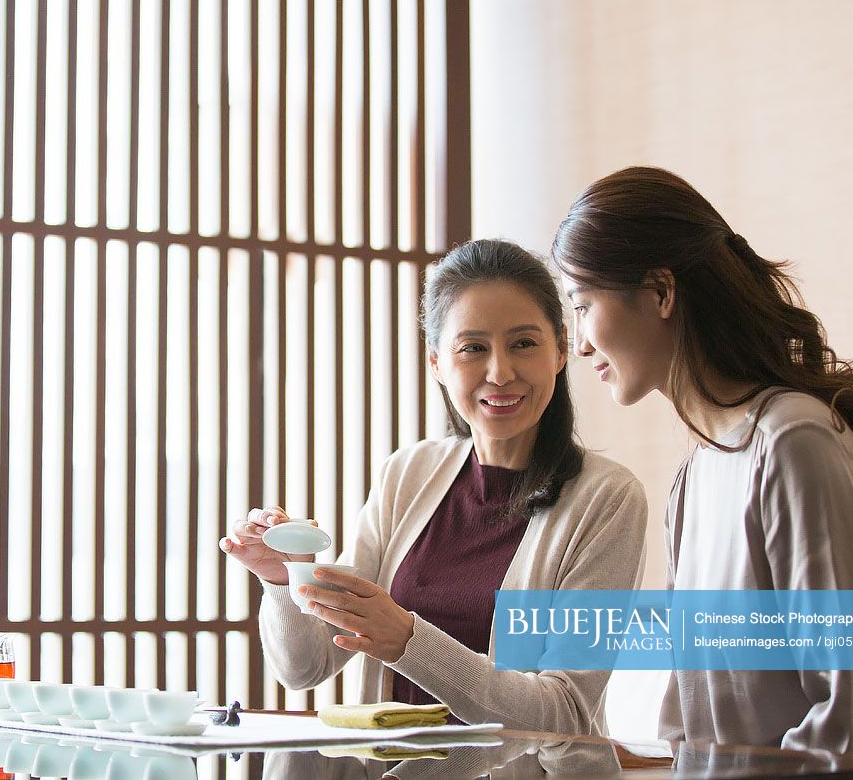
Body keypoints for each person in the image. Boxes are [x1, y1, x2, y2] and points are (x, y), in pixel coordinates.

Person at [219, 239, 648, 734]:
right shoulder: (408, 474)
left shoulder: (608, 499)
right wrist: (285, 577)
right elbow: (306, 667)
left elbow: (565, 713)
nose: (500, 372)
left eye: (524, 343)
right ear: (437, 364)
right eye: (473, 348)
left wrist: (408, 640)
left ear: (560, 350)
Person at [552, 166, 853, 753]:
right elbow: (693, 720)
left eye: (584, 304)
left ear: (662, 292)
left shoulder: (794, 444)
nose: (581, 341)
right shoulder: (696, 476)